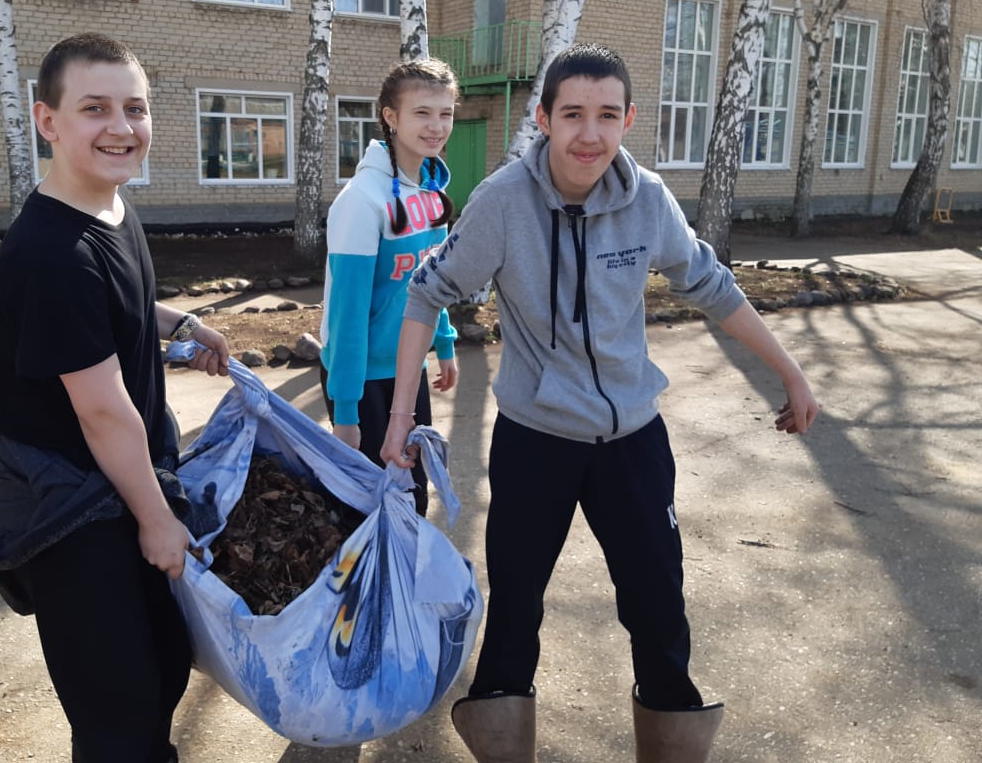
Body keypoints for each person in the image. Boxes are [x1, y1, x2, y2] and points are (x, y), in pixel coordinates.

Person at [380, 44, 820, 763]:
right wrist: (402, 418)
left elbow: (708, 283)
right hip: (535, 443)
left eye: (607, 116)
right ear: (543, 118)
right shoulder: (502, 202)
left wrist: (790, 372)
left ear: (628, 120)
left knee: (658, 610)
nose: (590, 134)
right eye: (573, 115)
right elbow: (427, 290)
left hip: (631, 443)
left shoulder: (646, 197)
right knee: (516, 612)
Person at [0, 33, 231, 763]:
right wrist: (156, 521)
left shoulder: (108, 209)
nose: (121, 127)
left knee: (160, 665)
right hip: (69, 506)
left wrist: (182, 322)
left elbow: (117, 310)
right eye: (95, 109)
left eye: (134, 108)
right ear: (47, 120)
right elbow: (102, 408)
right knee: (117, 711)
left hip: (112, 484)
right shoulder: (52, 253)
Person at [318, 58, 461, 514]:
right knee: (371, 506)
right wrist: (345, 414)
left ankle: (405, 584)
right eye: (422, 113)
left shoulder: (433, 193)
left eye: (446, 113)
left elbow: (432, 281)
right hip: (359, 377)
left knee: (412, 495)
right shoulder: (361, 202)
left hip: (408, 367)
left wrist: (444, 343)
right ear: (390, 117)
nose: (437, 126)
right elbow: (347, 316)